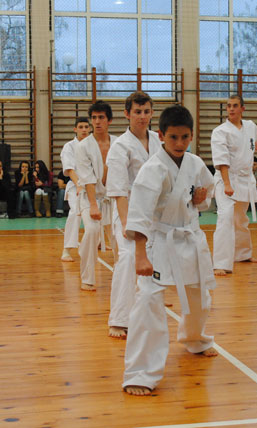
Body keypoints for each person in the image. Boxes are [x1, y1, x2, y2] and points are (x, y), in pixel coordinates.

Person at [122, 105, 217, 396]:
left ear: (192, 136)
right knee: (149, 300)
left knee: (199, 296)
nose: (179, 143)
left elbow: (205, 195)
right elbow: (139, 213)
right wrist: (140, 255)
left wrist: (201, 200)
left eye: (185, 137)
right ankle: (140, 373)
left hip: (190, 236)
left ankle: (195, 339)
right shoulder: (153, 169)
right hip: (159, 240)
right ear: (161, 135)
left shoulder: (195, 163)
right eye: (173, 137)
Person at [105, 91, 162, 339]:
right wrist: (127, 224)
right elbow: (118, 190)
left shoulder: (158, 140)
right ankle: (119, 319)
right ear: (127, 114)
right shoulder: (120, 146)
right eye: (137, 112)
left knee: (160, 256)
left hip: (155, 211)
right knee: (128, 256)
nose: (142, 116)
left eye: (146, 111)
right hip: (127, 209)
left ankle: (151, 302)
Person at [211, 95, 257, 276]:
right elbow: (221, 160)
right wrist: (227, 183)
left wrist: (252, 148)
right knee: (225, 217)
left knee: (240, 219)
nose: (231, 109)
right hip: (227, 178)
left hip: (245, 179)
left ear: (242, 109)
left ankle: (242, 254)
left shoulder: (251, 126)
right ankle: (220, 263)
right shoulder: (220, 131)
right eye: (228, 106)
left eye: (235, 106)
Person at [75, 101, 117, 291]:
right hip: (89, 196)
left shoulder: (118, 143)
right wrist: (93, 205)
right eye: (94, 118)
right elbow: (87, 178)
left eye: (101, 117)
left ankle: (125, 277)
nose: (97, 121)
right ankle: (87, 278)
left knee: (119, 237)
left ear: (109, 120)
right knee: (92, 231)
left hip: (113, 197)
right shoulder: (83, 146)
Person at [60, 117, 91, 261]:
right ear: (75, 129)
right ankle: (66, 250)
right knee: (75, 213)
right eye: (81, 127)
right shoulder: (69, 147)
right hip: (75, 186)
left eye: (86, 127)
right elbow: (69, 169)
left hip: (93, 186)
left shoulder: (94, 144)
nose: (84, 130)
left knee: (101, 214)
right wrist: (79, 185)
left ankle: (98, 241)